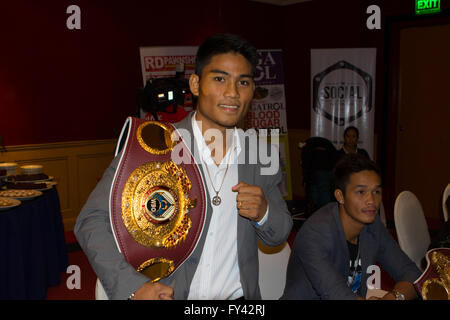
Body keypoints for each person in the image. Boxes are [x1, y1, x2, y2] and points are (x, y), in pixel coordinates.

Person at [74, 33, 293, 300]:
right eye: (220, 78)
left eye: (243, 82)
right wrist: (133, 286)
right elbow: (91, 220)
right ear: (196, 84)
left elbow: (278, 234)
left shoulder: (261, 154)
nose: (233, 93)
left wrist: (264, 212)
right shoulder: (152, 145)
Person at [281, 154, 421, 300]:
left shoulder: (372, 225)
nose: (371, 201)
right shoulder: (315, 234)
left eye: (376, 192)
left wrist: (393, 297)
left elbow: (412, 274)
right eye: (361, 192)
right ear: (340, 196)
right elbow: (335, 294)